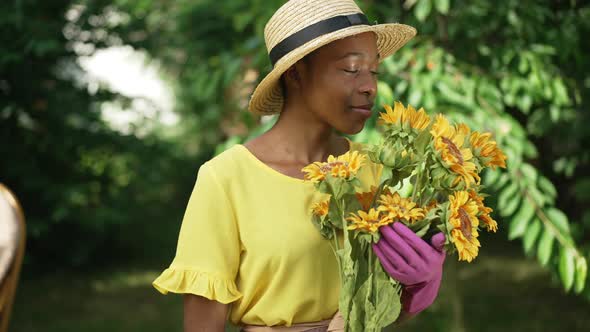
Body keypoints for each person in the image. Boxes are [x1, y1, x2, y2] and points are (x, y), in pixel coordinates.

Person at [152, 1, 446, 331]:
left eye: (373, 71)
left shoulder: (373, 168)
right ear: (295, 73)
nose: (370, 87)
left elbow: (379, 307)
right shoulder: (226, 179)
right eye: (351, 69)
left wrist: (415, 291)